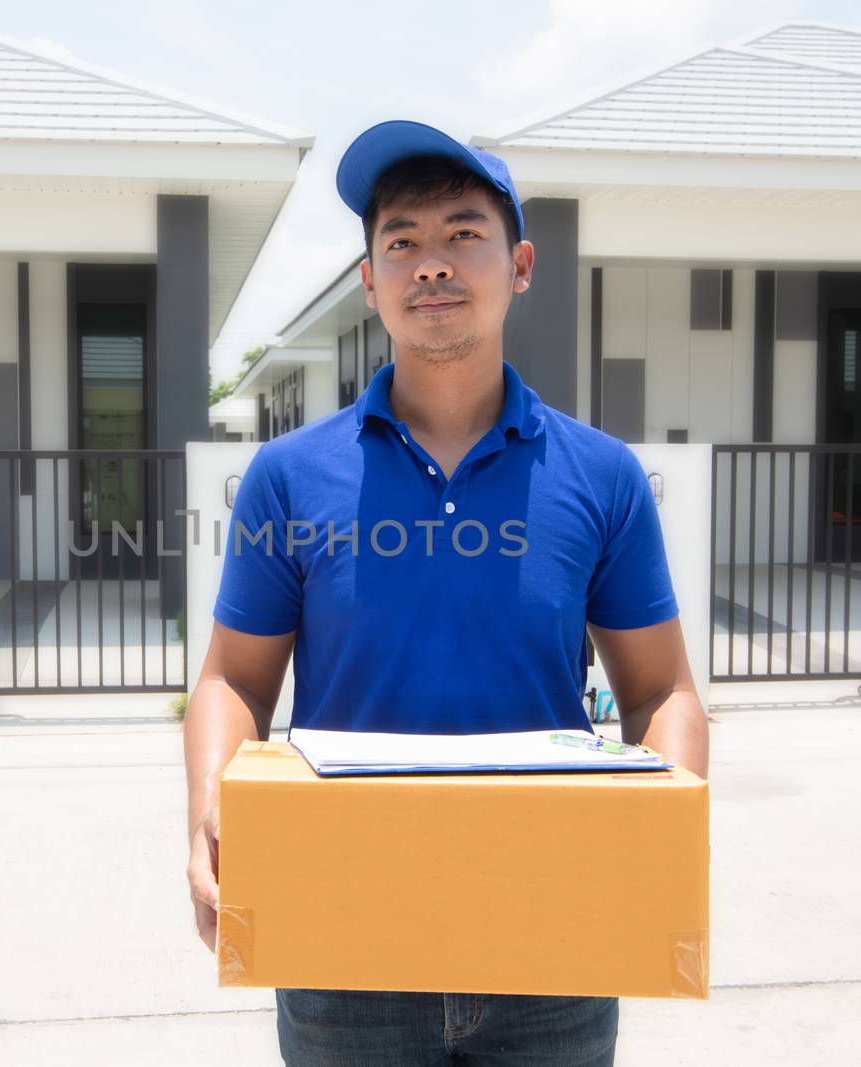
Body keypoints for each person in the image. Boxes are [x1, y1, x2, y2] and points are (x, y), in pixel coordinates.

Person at [183, 119, 709, 1066]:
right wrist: (209, 822)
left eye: (464, 233)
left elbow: (661, 690)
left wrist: (662, 834)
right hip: (343, 940)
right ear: (369, 281)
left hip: (551, 941)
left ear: (520, 266)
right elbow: (234, 681)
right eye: (402, 242)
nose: (432, 263)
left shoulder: (602, 475)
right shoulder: (288, 476)